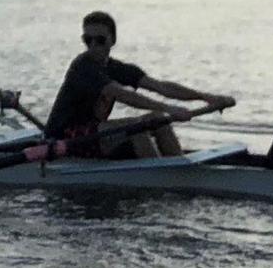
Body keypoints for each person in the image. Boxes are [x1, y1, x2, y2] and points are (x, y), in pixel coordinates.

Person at [44, 10, 233, 158]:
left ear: (113, 40)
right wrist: (170, 108)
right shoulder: (82, 67)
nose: (93, 45)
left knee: (157, 118)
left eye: (100, 40)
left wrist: (207, 97)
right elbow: (123, 95)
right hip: (62, 139)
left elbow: (161, 87)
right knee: (137, 128)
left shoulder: (116, 67)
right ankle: (160, 181)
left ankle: (177, 167)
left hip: (94, 133)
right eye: (88, 40)